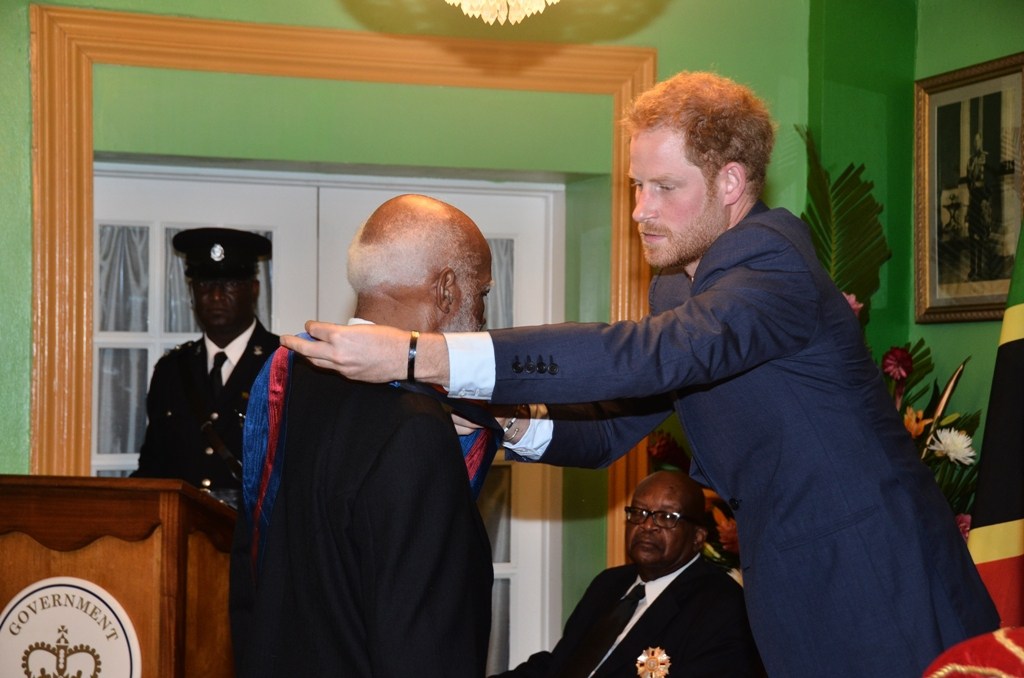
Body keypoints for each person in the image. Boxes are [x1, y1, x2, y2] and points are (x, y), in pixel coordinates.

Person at [280, 71, 1001, 676]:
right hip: (792, 582)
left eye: (663, 187)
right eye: (634, 186)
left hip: (877, 576)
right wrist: (498, 423)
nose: (639, 211)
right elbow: (607, 431)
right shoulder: (680, 286)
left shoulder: (772, 260)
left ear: (730, 181)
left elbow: (650, 353)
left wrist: (422, 355)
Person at [229, 194, 496, 677]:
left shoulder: (288, 380)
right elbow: (424, 644)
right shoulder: (417, 427)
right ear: (446, 289)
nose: (482, 313)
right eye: (482, 293)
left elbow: (256, 576)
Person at [493, 470, 761, 678]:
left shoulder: (722, 605)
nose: (647, 526)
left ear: (698, 537)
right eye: (638, 512)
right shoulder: (609, 584)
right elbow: (560, 664)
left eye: (667, 517)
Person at [132, 227, 277, 508]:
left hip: (254, 531)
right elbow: (153, 468)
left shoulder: (283, 365)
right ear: (192, 292)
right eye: (204, 284)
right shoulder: (171, 371)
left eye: (230, 284)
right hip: (182, 528)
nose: (216, 296)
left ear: (254, 289)